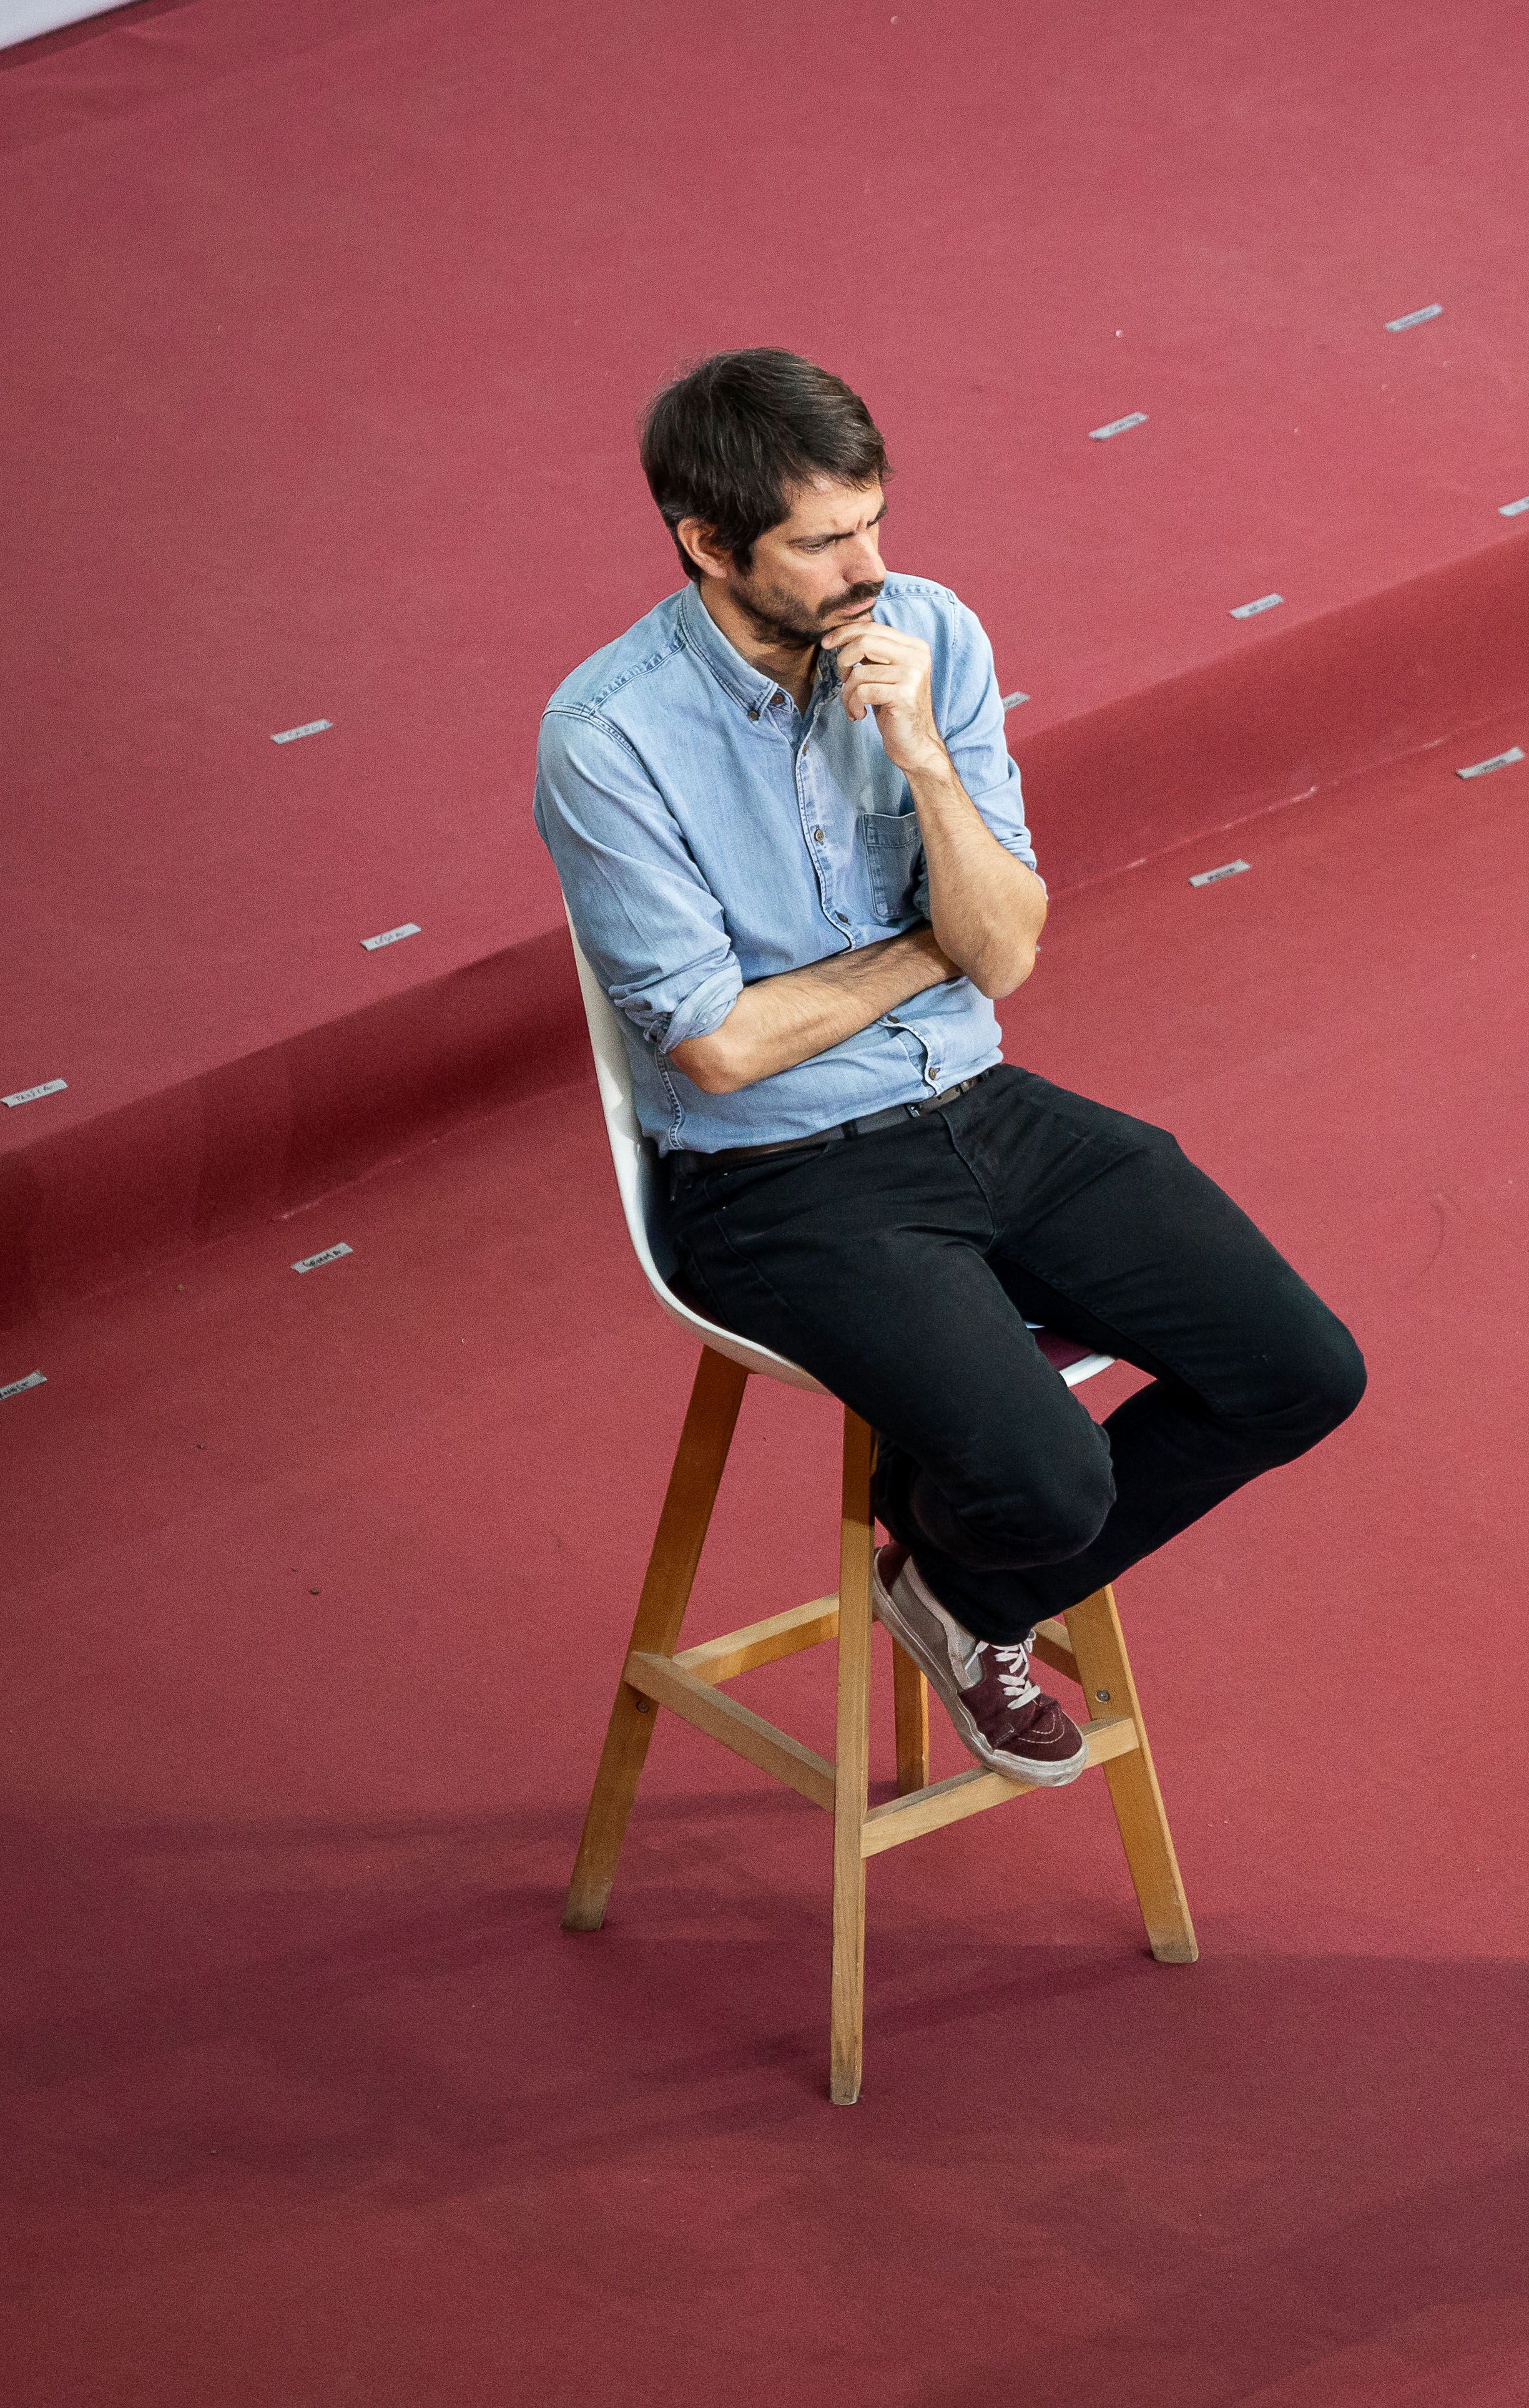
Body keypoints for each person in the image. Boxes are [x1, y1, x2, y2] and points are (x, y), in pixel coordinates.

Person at [536, 348, 1364, 1788]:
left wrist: (921, 753)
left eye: (875, 521)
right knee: (1052, 1477)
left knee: (1301, 1371)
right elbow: (724, 1049)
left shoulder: (930, 635)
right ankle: (989, 1539)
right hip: (775, 1180)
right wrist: (931, 954)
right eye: (823, 540)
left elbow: (1013, 951)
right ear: (708, 542)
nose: (870, 566)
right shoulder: (608, 739)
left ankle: (960, 1591)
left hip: (980, 1106)